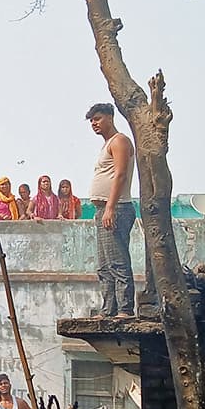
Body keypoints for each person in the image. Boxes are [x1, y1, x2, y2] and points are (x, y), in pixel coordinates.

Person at [87, 102, 137, 317]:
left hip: (116, 208)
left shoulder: (120, 141)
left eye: (97, 118)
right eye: (91, 120)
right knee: (104, 265)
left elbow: (120, 174)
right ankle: (109, 308)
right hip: (102, 209)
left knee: (117, 262)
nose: (94, 123)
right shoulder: (106, 144)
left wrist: (110, 207)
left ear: (109, 117)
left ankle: (125, 308)